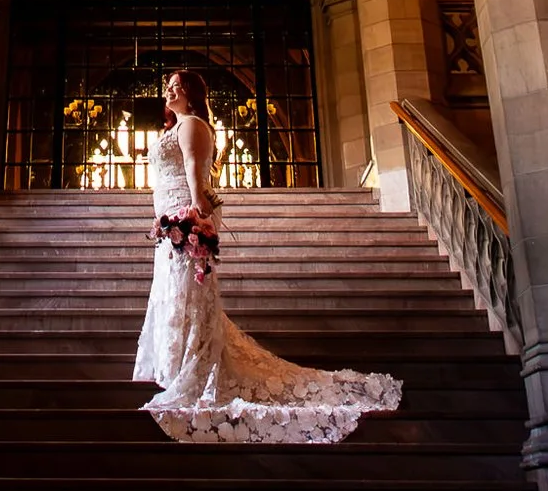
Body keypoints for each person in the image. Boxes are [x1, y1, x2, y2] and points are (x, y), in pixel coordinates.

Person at [132, 68, 403, 442]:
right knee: (176, 294)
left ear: (192, 94)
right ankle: (178, 367)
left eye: (177, 86)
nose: (170, 91)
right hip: (168, 220)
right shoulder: (174, 127)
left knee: (188, 295)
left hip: (185, 214)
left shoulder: (193, 124)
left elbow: (196, 171)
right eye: (168, 87)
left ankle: (189, 374)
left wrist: (197, 214)